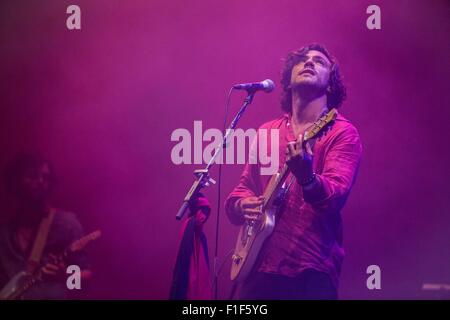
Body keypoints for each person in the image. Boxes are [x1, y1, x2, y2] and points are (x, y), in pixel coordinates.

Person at [225, 44, 362, 300]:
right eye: (302, 59)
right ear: (288, 79)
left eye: (319, 61)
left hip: (310, 268)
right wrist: (242, 205)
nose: (309, 63)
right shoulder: (266, 131)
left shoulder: (342, 133)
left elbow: (336, 196)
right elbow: (244, 186)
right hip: (258, 265)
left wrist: (307, 178)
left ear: (330, 84)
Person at [0, 153, 92, 299]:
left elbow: (86, 278)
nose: (41, 181)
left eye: (45, 177)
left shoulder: (67, 224)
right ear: (15, 182)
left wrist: (65, 276)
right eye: (32, 176)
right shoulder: (4, 234)